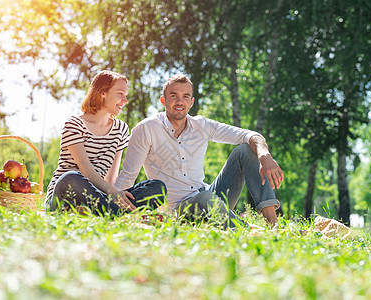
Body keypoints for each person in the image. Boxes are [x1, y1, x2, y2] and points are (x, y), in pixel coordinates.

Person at [114, 74, 284, 228]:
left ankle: (273, 224)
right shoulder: (146, 129)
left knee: (246, 150)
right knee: (205, 199)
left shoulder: (201, 126)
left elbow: (249, 135)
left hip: (209, 197)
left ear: (191, 102)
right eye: (173, 96)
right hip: (179, 211)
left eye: (185, 96)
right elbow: (128, 175)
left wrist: (265, 155)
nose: (179, 101)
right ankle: (248, 230)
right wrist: (112, 209)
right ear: (163, 100)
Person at [45, 70, 166, 215]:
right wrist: (112, 192)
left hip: (98, 196)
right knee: (71, 177)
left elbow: (110, 178)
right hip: (66, 195)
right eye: (120, 94)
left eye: (125, 95)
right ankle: (119, 215)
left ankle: (107, 212)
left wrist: (118, 195)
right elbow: (85, 169)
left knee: (157, 187)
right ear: (103, 93)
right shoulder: (74, 124)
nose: (125, 101)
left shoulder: (120, 129)